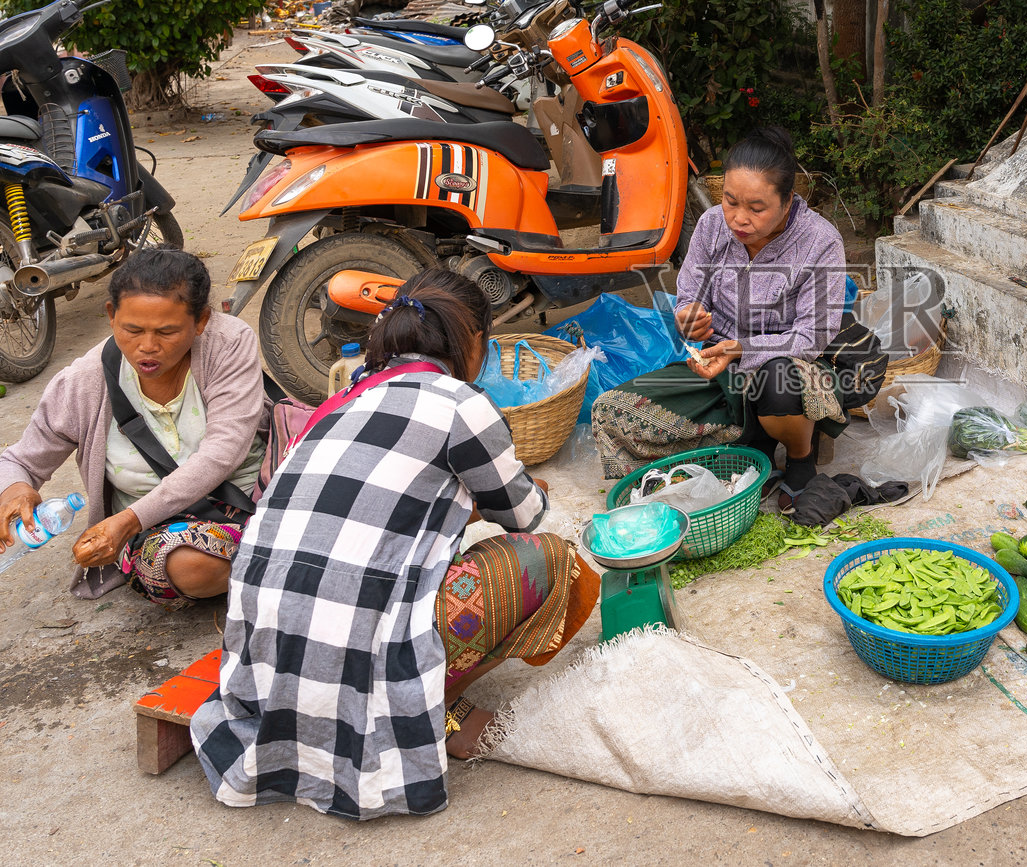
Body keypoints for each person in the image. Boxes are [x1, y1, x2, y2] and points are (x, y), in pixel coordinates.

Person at [191, 268, 598, 820]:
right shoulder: (460, 403)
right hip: (356, 649)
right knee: (550, 560)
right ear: (472, 341)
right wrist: (491, 493)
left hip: (263, 651)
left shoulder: (336, 403)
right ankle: (441, 706)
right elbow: (524, 513)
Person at [593, 126, 886, 485]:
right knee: (610, 412)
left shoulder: (819, 241)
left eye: (756, 208)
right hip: (722, 367)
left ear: (788, 201)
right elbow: (689, 296)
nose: (739, 218)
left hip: (794, 364)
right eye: (731, 201)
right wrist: (689, 318)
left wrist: (742, 349)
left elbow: (811, 337)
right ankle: (753, 438)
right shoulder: (711, 225)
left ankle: (800, 455)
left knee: (779, 386)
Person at [0, 248, 267, 608]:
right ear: (111, 317)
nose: (148, 347)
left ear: (201, 320)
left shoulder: (228, 342)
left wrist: (129, 518)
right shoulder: (84, 381)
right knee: (192, 567)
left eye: (167, 331)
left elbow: (223, 452)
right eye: (132, 329)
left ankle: (267, 559)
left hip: (249, 498)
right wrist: (16, 490)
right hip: (155, 529)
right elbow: (21, 460)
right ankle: (272, 563)